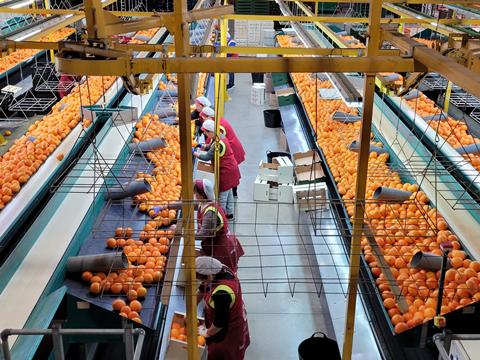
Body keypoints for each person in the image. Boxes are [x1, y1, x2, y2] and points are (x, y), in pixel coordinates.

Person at [150, 179, 244, 272]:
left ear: (202, 195)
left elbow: (201, 235)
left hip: (221, 248)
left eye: (196, 194)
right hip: (212, 244)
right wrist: (164, 206)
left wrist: (181, 232)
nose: (195, 196)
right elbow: (186, 204)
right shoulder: (204, 203)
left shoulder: (210, 213)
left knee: (220, 272)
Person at [196, 256, 250, 360]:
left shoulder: (222, 293)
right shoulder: (221, 269)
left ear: (210, 276)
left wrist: (207, 333)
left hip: (228, 334)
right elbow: (203, 288)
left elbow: (220, 322)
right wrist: (190, 309)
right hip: (233, 315)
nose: (201, 281)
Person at [194, 120, 240, 219]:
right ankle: (230, 213)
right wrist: (201, 146)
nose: (205, 134)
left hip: (226, 171)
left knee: (222, 195)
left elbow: (207, 157)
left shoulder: (218, 143)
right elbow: (211, 148)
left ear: (210, 132)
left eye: (206, 132)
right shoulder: (219, 137)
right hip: (231, 169)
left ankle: (222, 217)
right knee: (229, 192)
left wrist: (195, 153)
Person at [199, 107, 245, 197]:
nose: (202, 120)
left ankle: (233, 194)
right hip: (229, 151)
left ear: (209, 117)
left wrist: (201, 150)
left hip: (232, 150)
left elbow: (211, 145)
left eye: (204, 118)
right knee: (231, 183)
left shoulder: (219, 127)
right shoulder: (216, 122)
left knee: (229, 183)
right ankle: (232, 195)